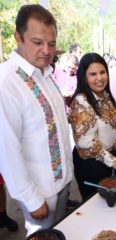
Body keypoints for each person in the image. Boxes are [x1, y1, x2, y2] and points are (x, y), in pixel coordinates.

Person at [0, 4, 73, 236]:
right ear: (18, 38)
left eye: (51, 44)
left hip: (61, 185)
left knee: (60, 232)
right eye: (37, 42)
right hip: (39, 193)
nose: (46, 50)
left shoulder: (46, 74)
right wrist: (30, 199)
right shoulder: (6, 82)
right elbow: (7, 151)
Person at [68, 53, 116, 201]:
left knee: (106, 201)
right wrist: (112, 161)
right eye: (93, 74)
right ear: (84, 77)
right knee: (94, 204)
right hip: (90, 164)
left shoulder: (105, 95)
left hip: (106, 160)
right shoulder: (81, 101)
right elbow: (86, 142)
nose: (100, 78)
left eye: (102, 72)